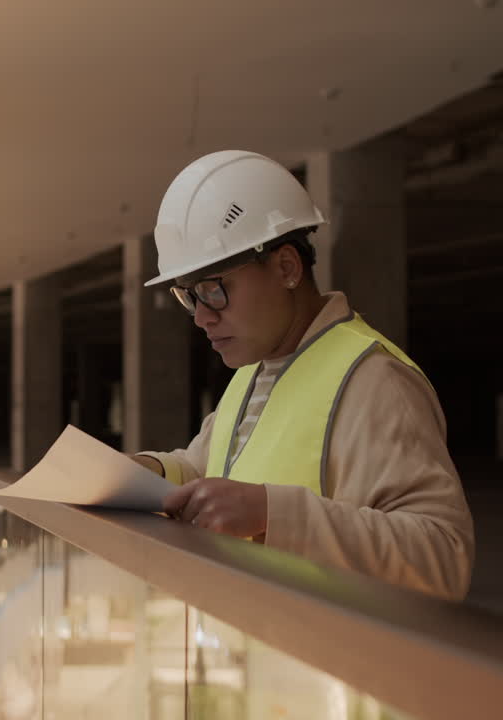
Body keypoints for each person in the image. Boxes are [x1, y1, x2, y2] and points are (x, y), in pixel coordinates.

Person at [131, 150, 474, 600]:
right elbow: (206, 469)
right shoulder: (253, 370)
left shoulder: (375, 380)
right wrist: (146, 473)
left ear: (287, 268)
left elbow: (443, 556)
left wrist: (273, 514)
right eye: (189, 297)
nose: (201, 318)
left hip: (334, 659)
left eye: (215, 290)